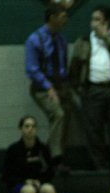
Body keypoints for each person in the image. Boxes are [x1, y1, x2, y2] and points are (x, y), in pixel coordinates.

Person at [69, 5, 110, 187]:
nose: (93, 23)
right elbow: (75, 66)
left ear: (107, 21)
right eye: (92, 19)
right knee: (94, 133)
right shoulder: (84, 40)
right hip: (92, 90)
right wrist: (78, 89)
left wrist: (105, 36)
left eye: (98, 19)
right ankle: (101, 171)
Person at [25, 5, 72, 171]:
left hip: (61, 85)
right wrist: (49, 87)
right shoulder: (34, 39)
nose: (66, 19)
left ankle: (59, 160)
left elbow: (62, 66)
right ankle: (51, 156)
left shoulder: (61, 39)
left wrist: (66, 86)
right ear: (52, 17)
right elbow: (31, 69)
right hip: (42, 87)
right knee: (58, 114)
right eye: (63, 16)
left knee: (64, 121)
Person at [2, 115, 59, 193]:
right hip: (20, 186)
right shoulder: (13, 150)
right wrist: (25, 181)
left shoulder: (43, 149)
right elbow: (6, 176)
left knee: (50, 190)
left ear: (36, 129)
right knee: (30, 191)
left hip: (39, 185)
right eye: (27, 126)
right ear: (21, 129)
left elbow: (50, 172)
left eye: (33, 126)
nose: (30, 129)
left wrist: (39, 181)